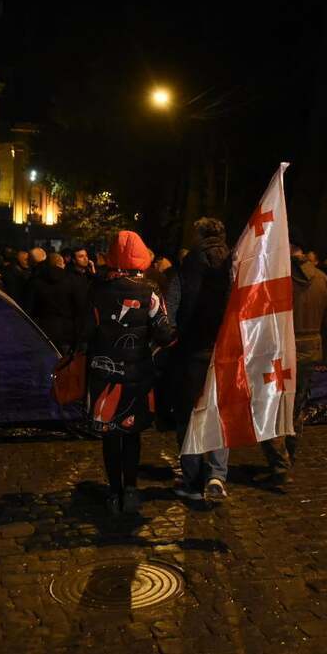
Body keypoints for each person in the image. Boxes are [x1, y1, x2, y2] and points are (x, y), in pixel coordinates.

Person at [87, 231, 175, 514]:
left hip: (103, 374)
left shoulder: (97, 290)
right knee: (132, 432)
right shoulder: (150, 290)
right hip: (137, 374)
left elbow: (85, 331)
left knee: (110, 436)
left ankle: (113, 492)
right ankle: (131, 488)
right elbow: (164, 332)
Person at [260, 240, 327, 484]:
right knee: (296, 406)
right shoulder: (323, 279)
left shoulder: (279, 278)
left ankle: (280, 463)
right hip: (309, 351)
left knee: (270, 408)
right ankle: (289, 455)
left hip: (281, 350)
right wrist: (325, 354)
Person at [170, 218, 231, 501]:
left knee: (189, 415)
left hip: (191, 352)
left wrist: (169, 337)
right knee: (220, 413)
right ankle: (217, 475)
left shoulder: (188, 265)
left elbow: (171, 308)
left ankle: (192, 480)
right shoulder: (234, 264)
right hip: (225, 351)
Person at [27, 252, 91, 356]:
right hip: (67, 332)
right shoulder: (72, 280)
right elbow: (80, 307)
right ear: (61, 264)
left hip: (44, 331)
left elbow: (29, 308)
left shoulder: (36, 282)